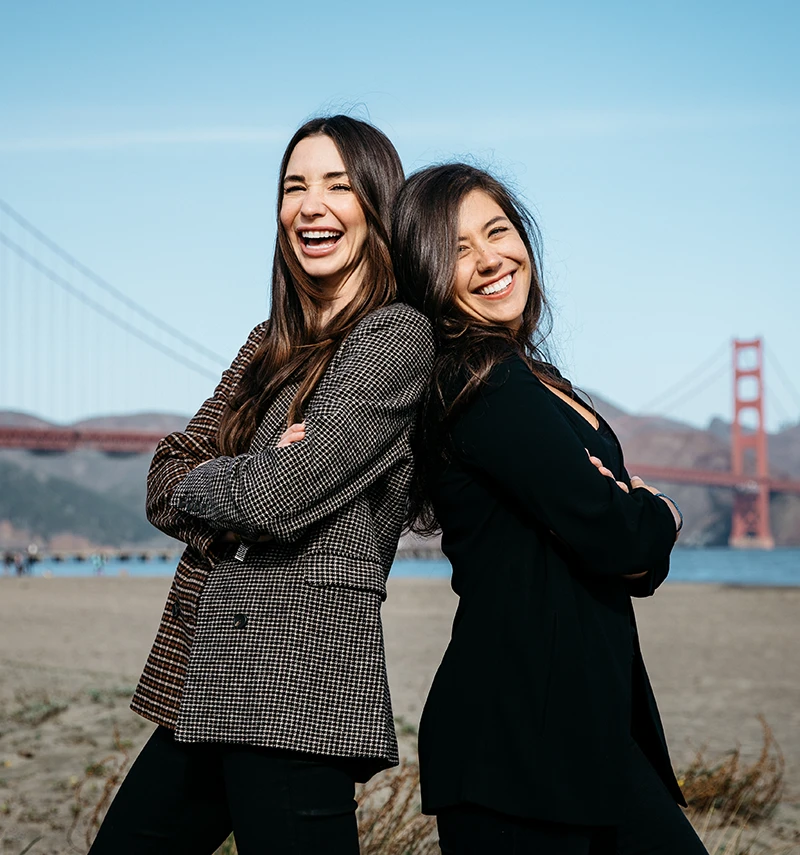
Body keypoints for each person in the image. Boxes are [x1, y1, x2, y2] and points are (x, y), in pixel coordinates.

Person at [89, 116, 434, 855]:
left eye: (337, 186)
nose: (310, 205)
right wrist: (239, 476)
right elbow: (163, 475)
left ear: (377, 205)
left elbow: (274, 497)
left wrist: (229, 480)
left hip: (296, 684)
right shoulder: (266, 343)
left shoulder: (395, 336)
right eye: (293, 186)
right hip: (205, 671)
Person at [391, 164, 708, 855]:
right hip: (517, 743)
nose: (487, 260)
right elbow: (624, 539)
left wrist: (627, 523)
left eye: (496, 231)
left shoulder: (536, 377)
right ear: (426, 277)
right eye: (456, 251)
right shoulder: (478, 380)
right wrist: (662, 512)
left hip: (583, 732)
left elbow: (631, 565)